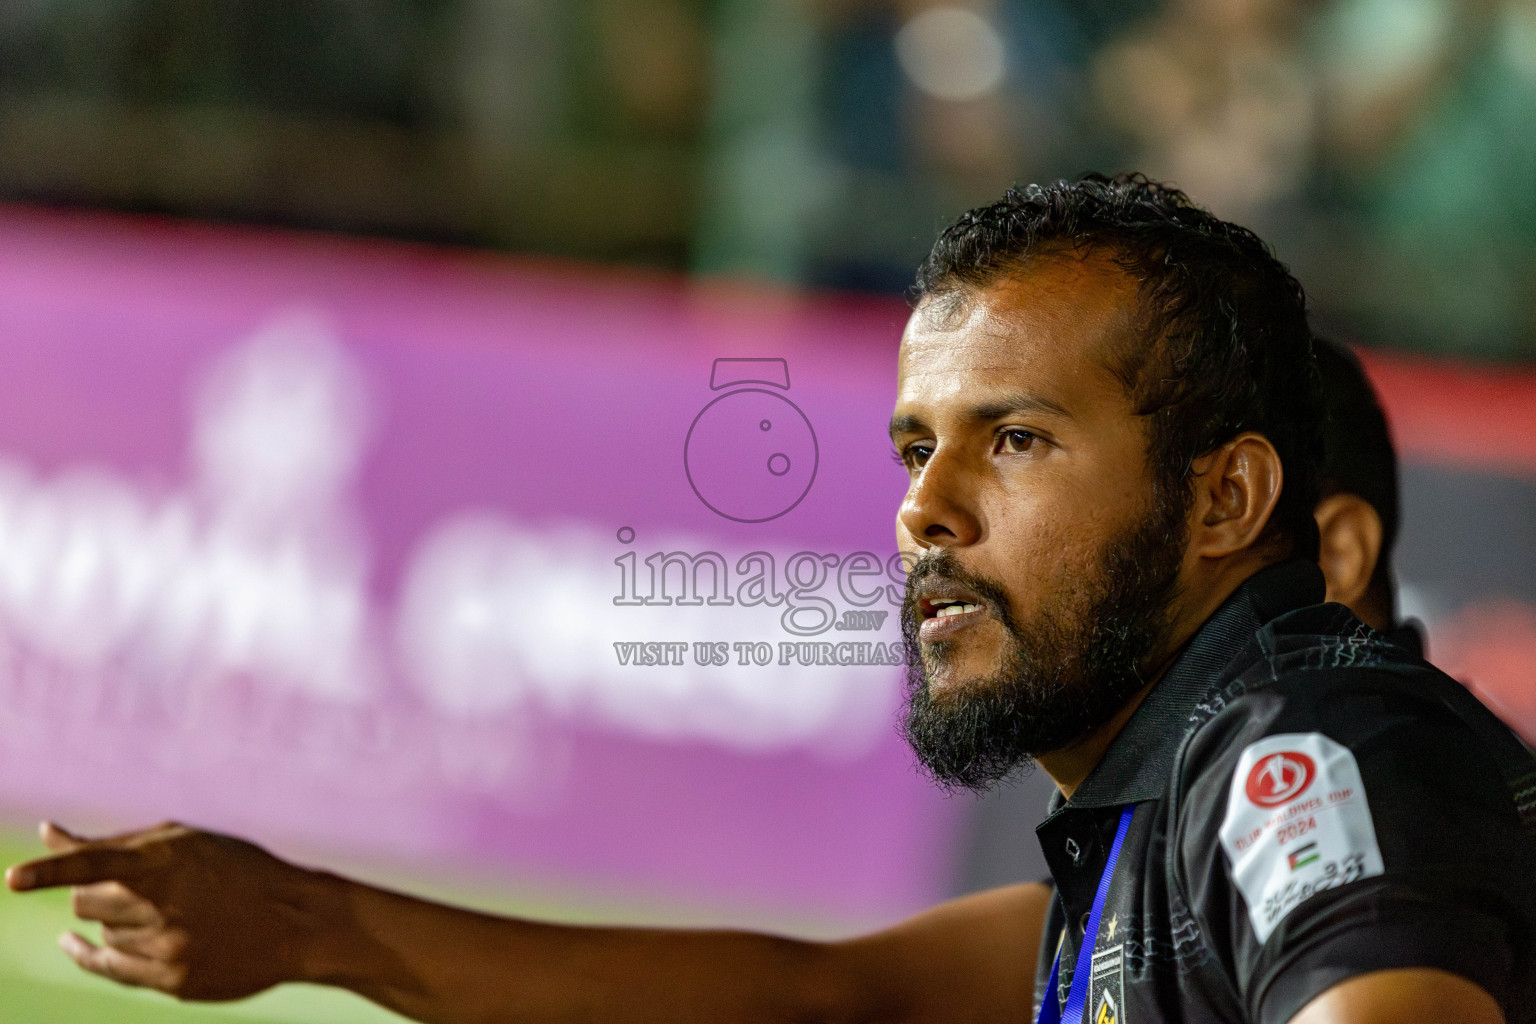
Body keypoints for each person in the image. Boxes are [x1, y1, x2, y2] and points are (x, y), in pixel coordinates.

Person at [9, 175, 1534, 1024]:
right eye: (914, 448)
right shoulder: (1153, 833)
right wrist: (305, 920)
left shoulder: (1311, 757)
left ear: (1226, 502)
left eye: (1016, 440)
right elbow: (820, 1005)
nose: (926, 509)